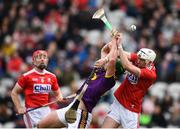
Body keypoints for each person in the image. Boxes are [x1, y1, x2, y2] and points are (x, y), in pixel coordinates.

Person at [37, 36, 120, 128]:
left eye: (108, 62)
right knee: (41, 125)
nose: (106, 61)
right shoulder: (101, 70)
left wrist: (114, 39)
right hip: (72, 107)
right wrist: (113, 44)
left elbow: (112, 60)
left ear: (114, 69)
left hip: (81, 115)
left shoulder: (109, 80)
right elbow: (104, 51)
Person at [102, 32, 157, 128]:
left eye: (141, 60)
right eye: (138, 58)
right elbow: (122, 54)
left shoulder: (150, 74)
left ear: (149, 62)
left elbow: (126, 66)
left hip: (131, 110)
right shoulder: (141, 58)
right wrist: (114, 42)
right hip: (118, 103)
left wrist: (119, 46)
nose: (138, 60)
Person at [11, 50, 63, 128]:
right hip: (32, 113)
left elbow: (58, 93)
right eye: (39, 57)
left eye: (44, 57)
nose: (42, 59)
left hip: (46, 110)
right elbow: (14, 93)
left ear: (47, 60)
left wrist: (59, 97)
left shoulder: (52, 76)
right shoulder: (26, 76)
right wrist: (19, 107)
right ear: (33, 61)